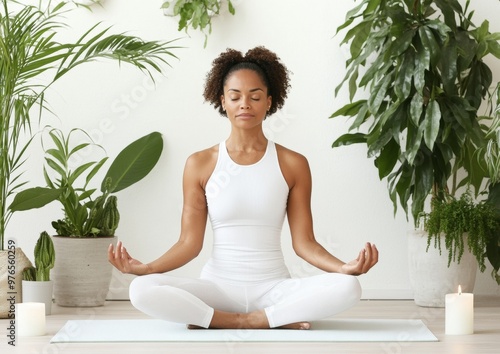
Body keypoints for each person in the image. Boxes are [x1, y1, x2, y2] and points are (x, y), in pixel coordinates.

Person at [108, 46, 378, 330]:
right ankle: (258, 319)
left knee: (349, 287)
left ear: (269, 102)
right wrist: (147, 268)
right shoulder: (200, 164)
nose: (245, 104)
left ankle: (237, 318)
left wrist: (344, 268)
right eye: (235, 97)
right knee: (140, 289)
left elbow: (304, 243)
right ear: (222, 101)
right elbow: (189, 243)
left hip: (274, 288)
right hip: (217, 290)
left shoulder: (293, 163)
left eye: (255, 97)